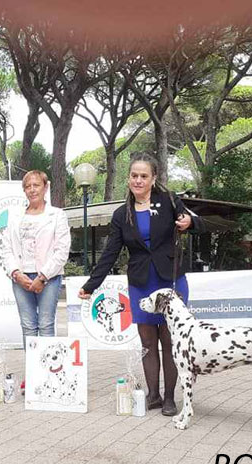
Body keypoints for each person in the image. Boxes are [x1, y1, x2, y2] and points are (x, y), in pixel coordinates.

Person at [78, 153, 204, 416]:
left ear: (153, 178)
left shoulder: (169, 201)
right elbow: (110, 253)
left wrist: (189, 222)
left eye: (143, 176)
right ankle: (153, 395)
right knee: (147, 342)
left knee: (169, 340)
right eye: (134, 175)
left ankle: (169, 398)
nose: (138, 180)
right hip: (141, 282)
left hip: (170, 280)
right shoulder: (120, 214)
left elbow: (198, 223)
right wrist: (91, 285)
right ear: (128, 179)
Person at [2, 170, 71, 392]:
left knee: (46, 324)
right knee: (28, 326)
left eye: (36, 185)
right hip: (20, 278)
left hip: (48, 278)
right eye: (28, 186)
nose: (32, 190)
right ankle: (33, 374)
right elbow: (6, 249)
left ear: (45, 187)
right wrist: (16, 273)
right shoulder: (15, 217)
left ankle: (49, 375)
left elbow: (62, 250)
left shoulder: (57, 215)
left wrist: (43, 277)